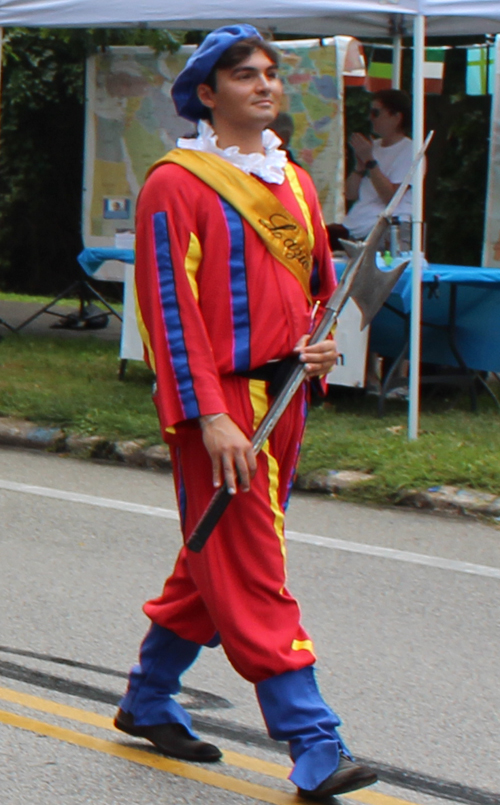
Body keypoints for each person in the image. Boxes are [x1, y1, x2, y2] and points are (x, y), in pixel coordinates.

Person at [114, 25, 377, 801]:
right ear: (207, 93)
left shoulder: (291, 178)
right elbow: (168, 309)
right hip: (221, 405)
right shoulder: (176, 182)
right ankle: (314, 740)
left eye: (269, 73)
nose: (265, 85)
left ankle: (147, 695)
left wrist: (319, 350)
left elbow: (317, 291)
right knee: (254, 564)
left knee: (218, 553)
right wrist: (206, 415)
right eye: (244, 76)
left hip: (284, 392)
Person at [327, 89, 413, 252]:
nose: (370, 118)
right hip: (356, 228)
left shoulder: (409, 150)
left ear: (396, 117)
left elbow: (390, 197)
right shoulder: (373, 147)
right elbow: (351, 194)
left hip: (386, 230)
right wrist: (359, 167)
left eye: (376, 113)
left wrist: (370, 161)